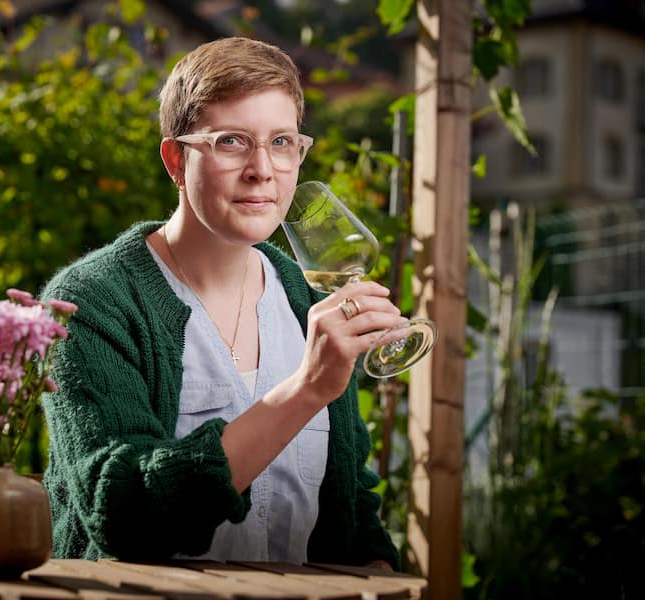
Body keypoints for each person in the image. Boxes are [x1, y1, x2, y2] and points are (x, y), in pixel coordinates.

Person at [40, 36, 405, 569]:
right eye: (232, 141)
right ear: (174, 158)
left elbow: (351, 498)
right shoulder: (88, 303)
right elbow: (120, 511)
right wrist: (305, 390)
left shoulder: (307, 296)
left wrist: (378, 571)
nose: (263, 169)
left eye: (282, 142)